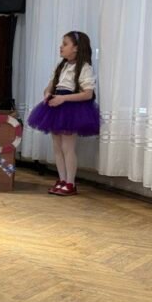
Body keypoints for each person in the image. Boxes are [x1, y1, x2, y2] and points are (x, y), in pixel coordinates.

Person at [26, 30, 101, 197]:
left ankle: (70, 183)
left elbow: (88, 94)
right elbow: (50, 86)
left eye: (65, 44)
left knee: (68, 147)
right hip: (56, 107)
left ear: (76, 48)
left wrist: (64, 99)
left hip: (71, 109)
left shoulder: (84, 68)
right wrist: (48, 94)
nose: (61, 47)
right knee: (57, 146)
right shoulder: (61, 67)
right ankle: (62, 179)